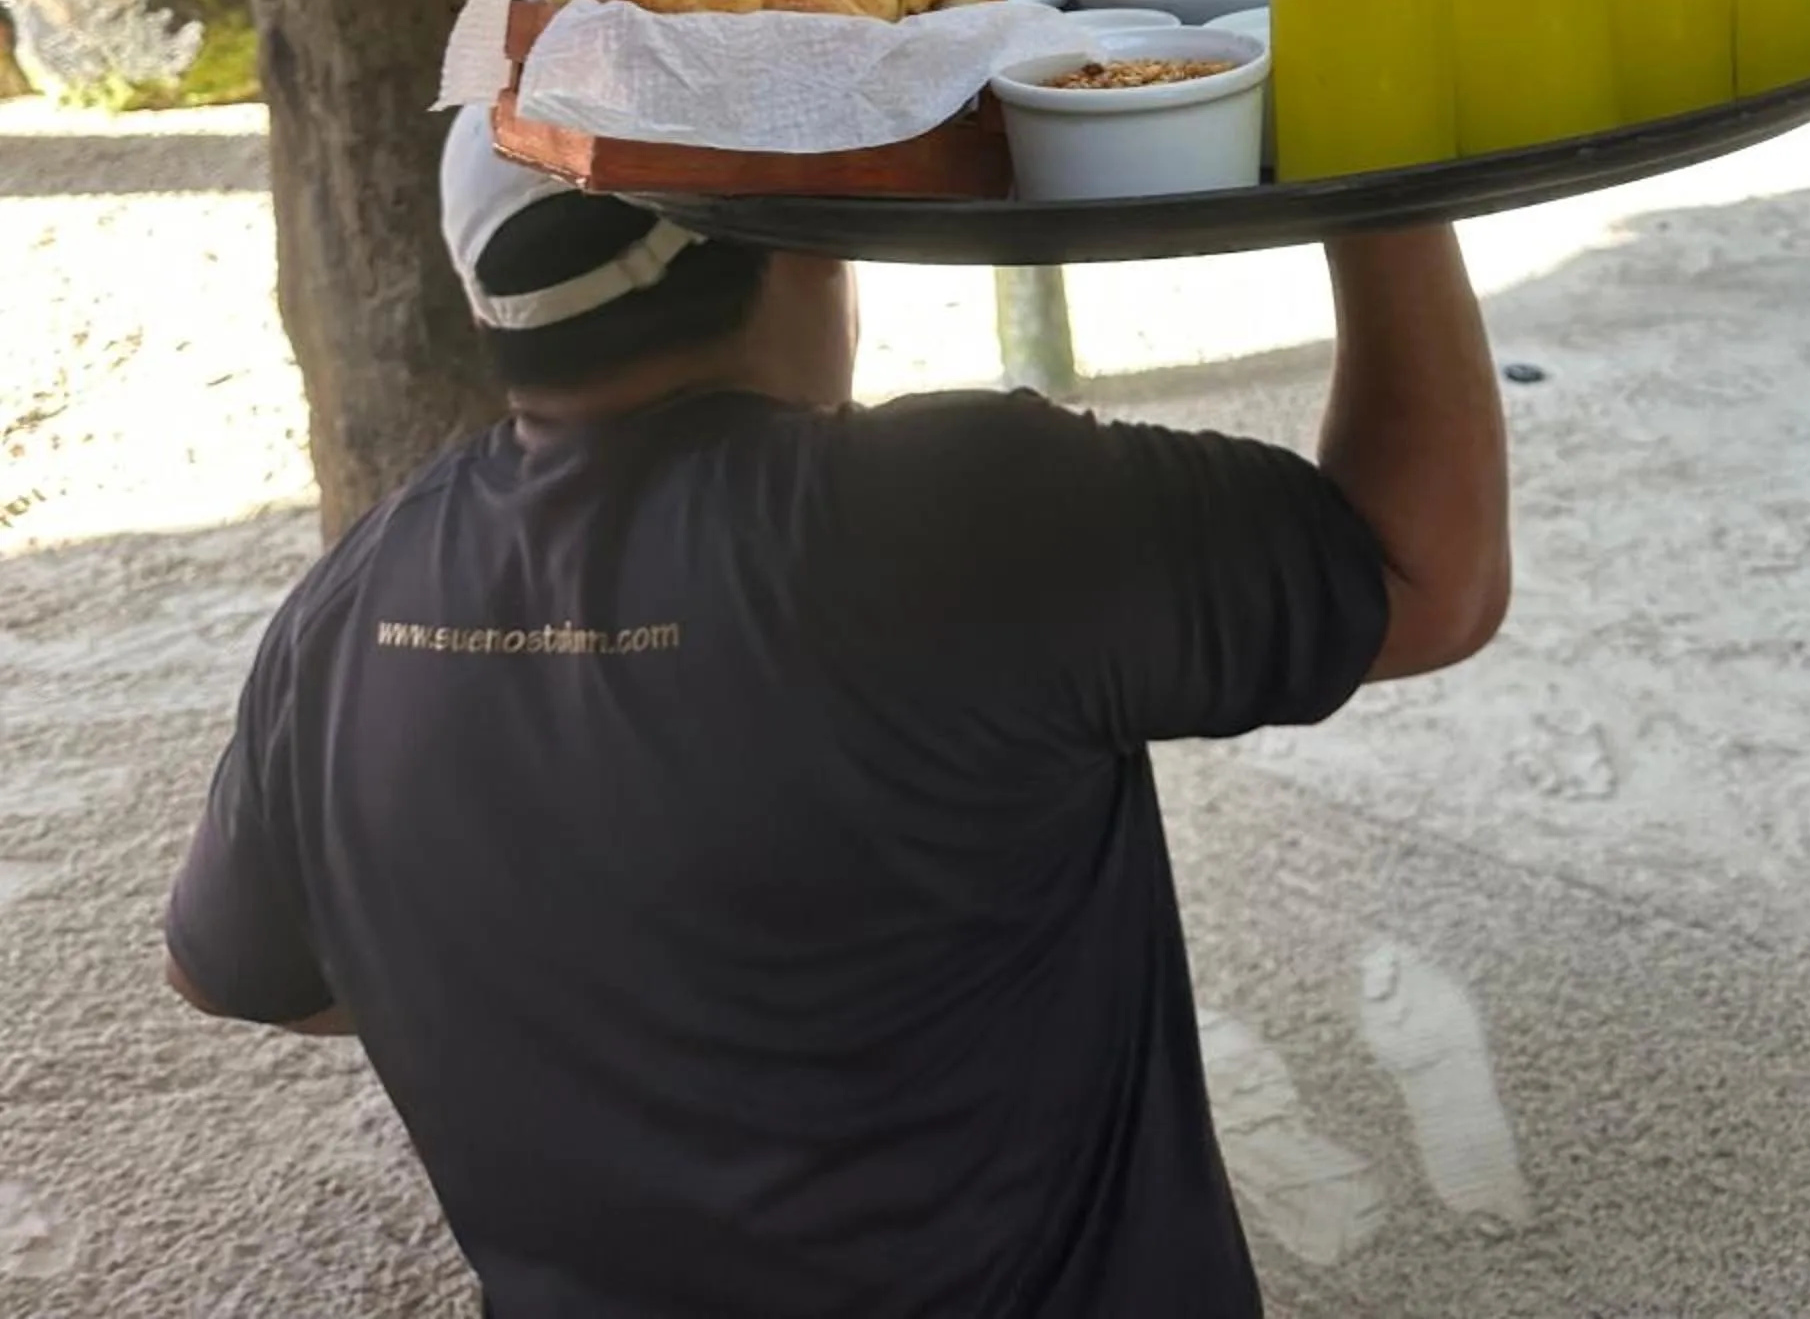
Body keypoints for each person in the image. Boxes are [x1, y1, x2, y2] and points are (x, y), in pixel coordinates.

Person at [165, 111, 1510, 1318]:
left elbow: (230, 970)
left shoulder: (351, 603)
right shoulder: (949, 514)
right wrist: (1376, 167)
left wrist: (567, 985)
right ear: (803, 250)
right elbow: (1427, 579)